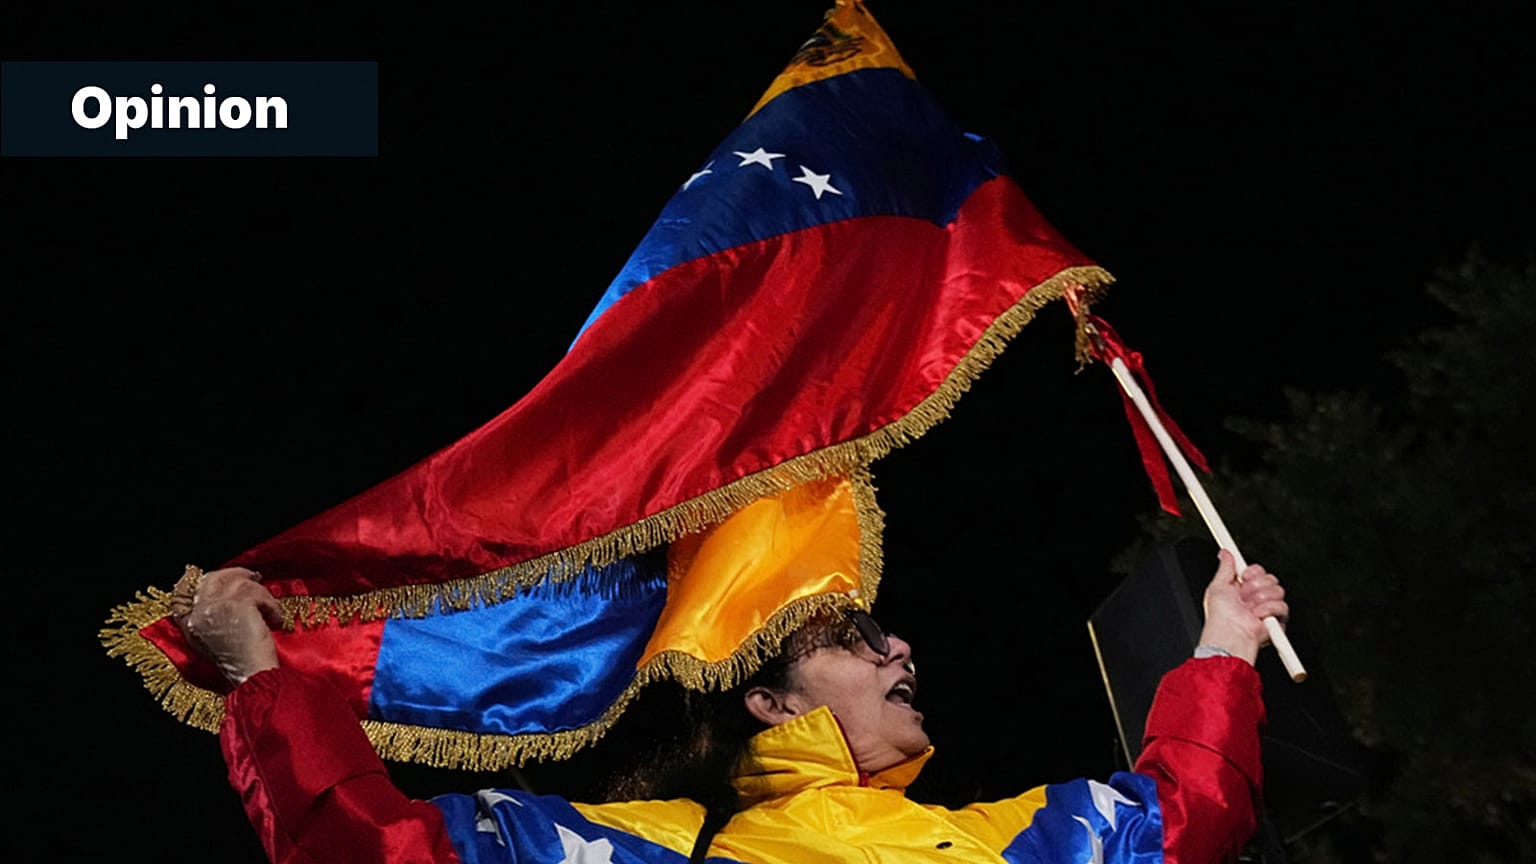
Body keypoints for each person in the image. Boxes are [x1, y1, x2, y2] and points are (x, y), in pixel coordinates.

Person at [170, 549, 1287, 864]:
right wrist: (262, 674)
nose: (902, 646)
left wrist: (1224, 642)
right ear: (765, 697)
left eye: (884, 630)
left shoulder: (1004, 839)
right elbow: (375, 851)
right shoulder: (655, 852)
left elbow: (1180, 820)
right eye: (852, 636)